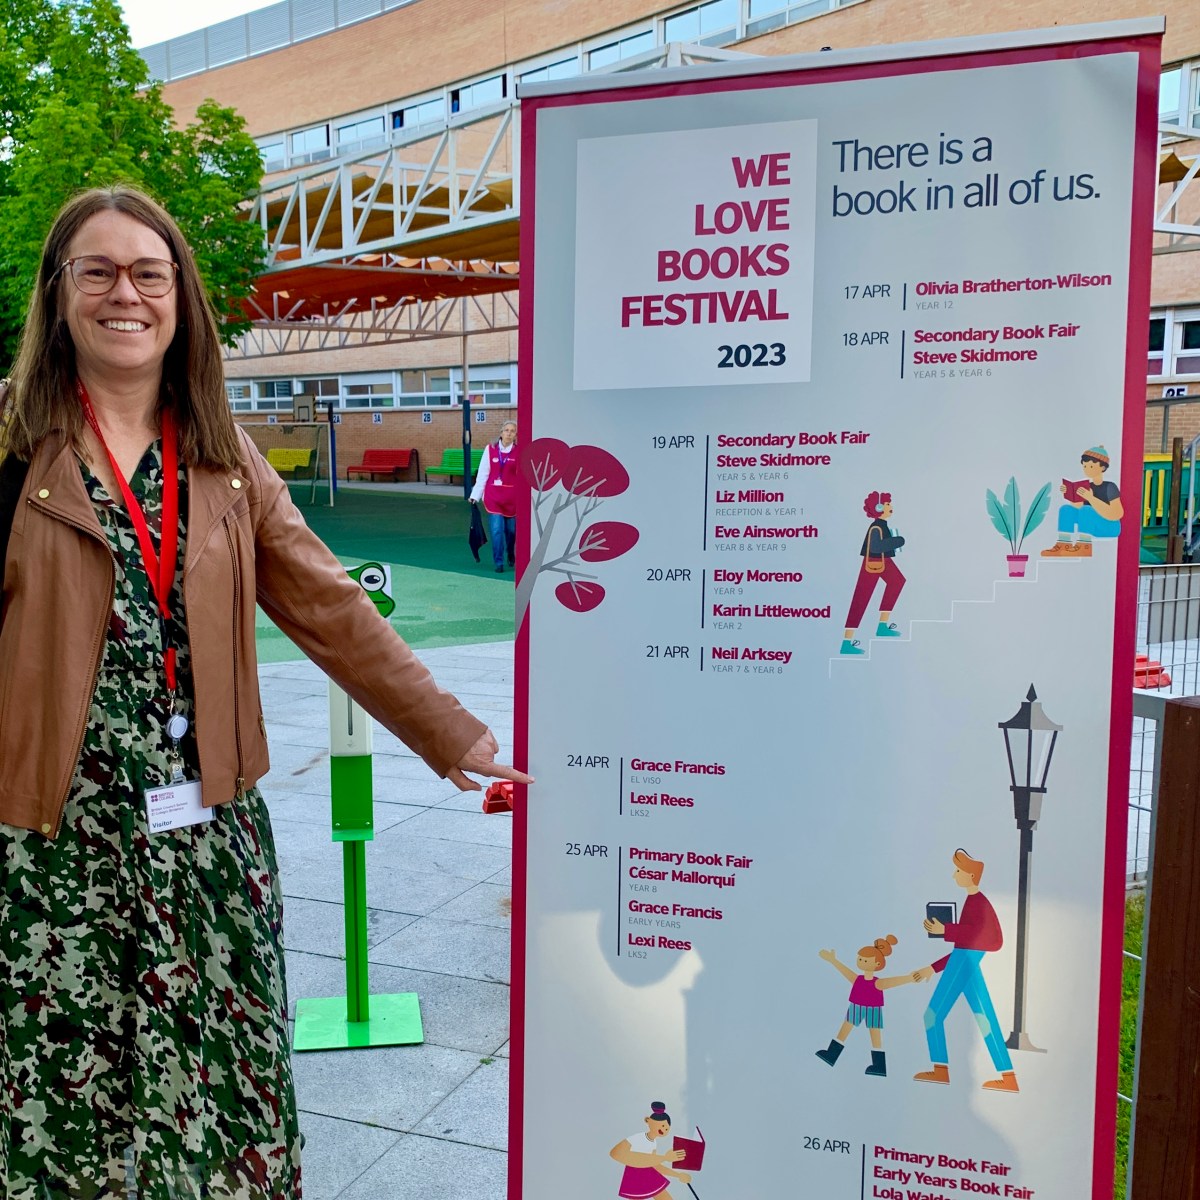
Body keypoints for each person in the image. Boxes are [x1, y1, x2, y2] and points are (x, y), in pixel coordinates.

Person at [0, 186, 531, 1199]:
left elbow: (329, 603)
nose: (127, 294)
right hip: (49, 851)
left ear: (180, 299)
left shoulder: (223, 457)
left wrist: (449, 731)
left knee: (221, 1091)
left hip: (207, 837)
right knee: (63, 1106)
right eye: (98, 271)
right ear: (57, 294)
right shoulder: (12, 443)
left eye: (149, 274)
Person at [911, 849, 1018, 1093]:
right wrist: (932, 966)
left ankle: (940, 1070)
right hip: (965, 961)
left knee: (932, 1016)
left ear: (970, 876)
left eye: (958, 871)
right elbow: (963, 947)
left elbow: (986, 939)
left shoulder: (979, 903)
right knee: (985, 1018)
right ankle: (1008, 1076)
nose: (954, 875)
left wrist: (945, 930)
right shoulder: (973, 902)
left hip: (965, 961)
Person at [814, 933, 914, 1077]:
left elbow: (893, 982)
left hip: (872, 1009)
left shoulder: (877, 982)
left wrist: (909, 978)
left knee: (875, 1034)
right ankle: (831, 1054)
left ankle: (879, 1065)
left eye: (865, 960)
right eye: (860, 959)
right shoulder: (858, 979)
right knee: (845, 1028)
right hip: (856, 1006)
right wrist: (833, 960)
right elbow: (846, 972)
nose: (861, 962)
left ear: (877, 964)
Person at [841, 490, 906, 655]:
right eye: (887, 504)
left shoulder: (882, 525)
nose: (891, 507)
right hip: (874, 563)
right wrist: (897, 541)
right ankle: (847, 642)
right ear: (878, 507)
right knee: (860, 600)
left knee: (897, 582)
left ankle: (882, 625)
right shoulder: (877, 526)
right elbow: (876, 547)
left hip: (882, 561)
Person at [1040, 445, 1123, 558]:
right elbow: (1078, 508)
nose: (1087, 469)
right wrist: (1069, 494)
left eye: (1091, 466)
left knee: (1087, 510)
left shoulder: (1110, 487)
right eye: (1085, 466)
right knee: (1066, 509)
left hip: (1109, 527)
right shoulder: (1087, 486)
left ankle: (1084, 546)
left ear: (1102, 468)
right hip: (1090, 525)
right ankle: (1064, 544)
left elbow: (1116, 514)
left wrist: (1091, 498)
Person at [609, 1101, 692, 1199]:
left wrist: (678, 1175)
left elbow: (655, 1165)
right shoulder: (638, 1138)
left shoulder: (653, 1143)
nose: (664, 1130)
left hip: (648, 1174)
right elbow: (615, 1153)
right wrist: (664, 1157)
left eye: (666, 1129)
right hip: (635, 1176)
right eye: (663, 1125)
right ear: (648, 1120)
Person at [470, 419, 518, 572]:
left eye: (512, 431)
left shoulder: (519, 451)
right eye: (506, 430)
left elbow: (522, 477)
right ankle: (499, 562)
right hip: (494, 498)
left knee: (511, 532)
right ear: (501, 432)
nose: (509, 433)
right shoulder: (490, 449)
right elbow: (483, 473)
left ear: (515, 435)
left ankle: (510, 553)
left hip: (512, 499)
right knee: (497, 531)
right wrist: (475, 495)